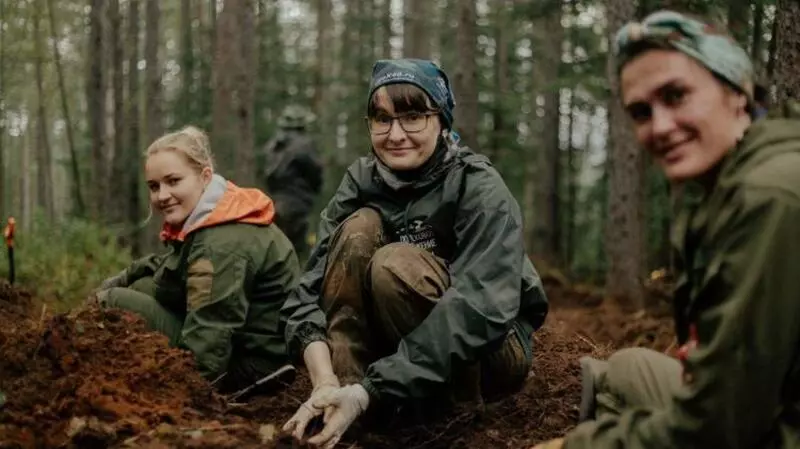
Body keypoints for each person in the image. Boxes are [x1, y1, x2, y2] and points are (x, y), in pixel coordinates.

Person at [534, 10, 800, 449]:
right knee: (627, 370)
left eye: (676, 96)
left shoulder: (769, 197)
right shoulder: (727, 185)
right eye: (641, 112)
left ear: (737, 90)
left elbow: (721, 427)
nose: (659, 127)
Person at [280, 58, 549, 448]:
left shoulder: (477, 185)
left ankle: (450, 417)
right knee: (357, 229)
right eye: (382, 119)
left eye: (413, 117)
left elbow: (481, 308)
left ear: (442, 121)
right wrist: (325, 381)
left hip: (490, 351)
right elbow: (308, 292)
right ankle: (345, 405)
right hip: (394, 358)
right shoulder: (361, 181)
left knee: (393, 265)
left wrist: (374, 388)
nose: (395, 135)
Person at [94, 126, 300, 394]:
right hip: (246, 344)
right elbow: (174, 266)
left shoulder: (220, 245)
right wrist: (128, 274)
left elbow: (212, 332)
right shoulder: (214, 213)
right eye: (154, 186)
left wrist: (191, 396)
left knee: (113, 301)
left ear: (204, 177)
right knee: (143, 286)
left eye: (173, 181)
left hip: (254, 367)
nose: (162, 196)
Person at [259, 105, 324, 260]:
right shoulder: (304, 145)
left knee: (277, 252)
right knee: (299, 254)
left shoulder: (273, 146)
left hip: (274, 204)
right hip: (297, 206)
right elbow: (316, 173)